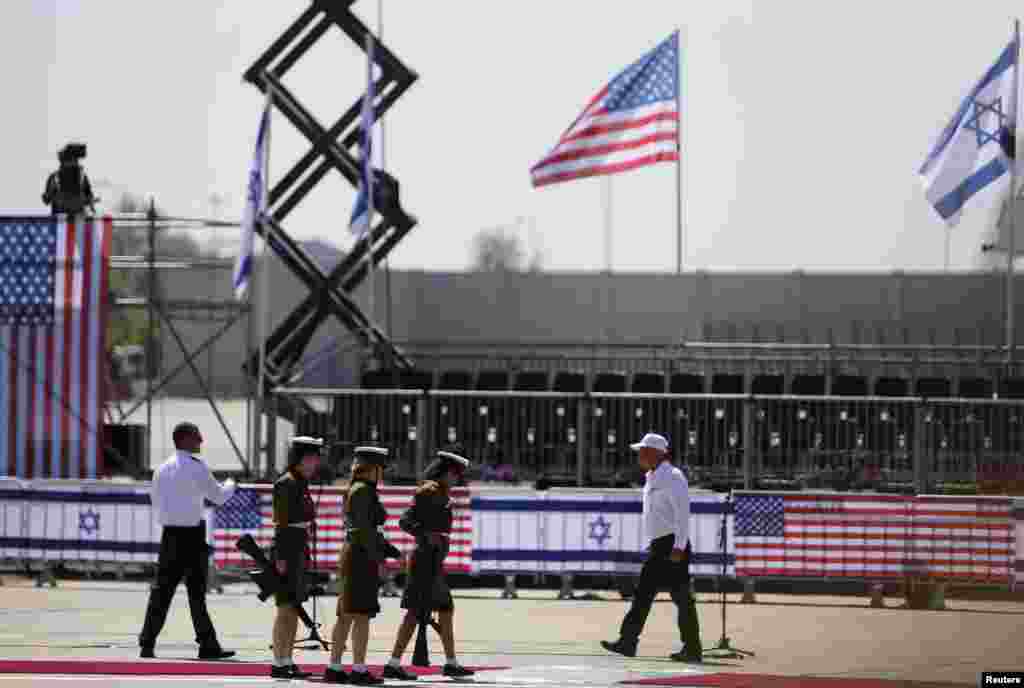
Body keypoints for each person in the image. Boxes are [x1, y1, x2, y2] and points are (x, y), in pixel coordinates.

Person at [601, 433, 703, 663]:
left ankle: (630, 641)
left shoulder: (674, 477)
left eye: (643, 451)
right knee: (665, 596)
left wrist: (678, 546)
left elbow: (682, 515)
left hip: (672, 545)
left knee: (658, 596)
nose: (640, 455)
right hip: (660, 544)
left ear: (657, 453)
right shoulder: (652, 476)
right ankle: (690, 648)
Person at [139, 422, 236, 660]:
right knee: (196, 594)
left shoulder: (161, 469)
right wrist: (232, 484)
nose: (201, 441)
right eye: (197, 437)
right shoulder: (196, 467)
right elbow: (219, 497)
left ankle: (147, 643)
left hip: (170, 536)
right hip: (192, 536)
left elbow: (155, 503)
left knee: (161, 592)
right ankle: (207, 645)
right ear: (183, 439)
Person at [383, 450, 475, 680]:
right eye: (454, 473)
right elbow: (404, 521)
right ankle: (393, 663)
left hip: (433, 562)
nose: (456, 479)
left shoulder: (441, 492)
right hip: (424, 561)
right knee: (414, 613)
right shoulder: (429, 491)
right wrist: (425, 533)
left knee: (444, 609)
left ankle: (451, 662)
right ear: (443, 472)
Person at [324, 446, 402, 686]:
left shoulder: (358, 489)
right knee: (360, 615)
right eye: (380, 469)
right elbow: (363, 531)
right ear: (371, 469)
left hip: (356, 554)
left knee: (347, 614)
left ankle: (335, 668)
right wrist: (380, 557)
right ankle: (357, 669)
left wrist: (387, 549)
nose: (383, 474)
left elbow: (365, 529)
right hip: (361, 557)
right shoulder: (363, 492)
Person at [269, 436, 324, 680]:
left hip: (299, 547)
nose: (315, 464)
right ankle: (279, 662)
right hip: (288, 549)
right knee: (285, 608)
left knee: (292, 607)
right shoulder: (287, 483)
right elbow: (281, 523)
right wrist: (280, 557)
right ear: (300, 459)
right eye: (311, 459)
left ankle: (287, 660)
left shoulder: (300, 483)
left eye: (316, 459)